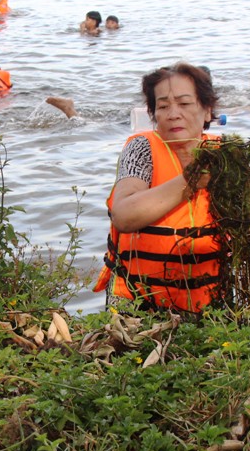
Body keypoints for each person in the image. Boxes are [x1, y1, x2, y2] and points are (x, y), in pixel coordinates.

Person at [94, 62, 223, 313]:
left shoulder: (226, 155)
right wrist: (192, 180)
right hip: (138, 304)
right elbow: (124, 215)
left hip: (211, 305)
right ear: (154, 115)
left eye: (185, 104)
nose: (173, 113)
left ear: (207, 111)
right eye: (163, 106)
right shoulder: (141, 149)